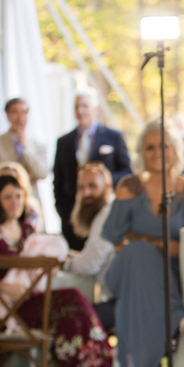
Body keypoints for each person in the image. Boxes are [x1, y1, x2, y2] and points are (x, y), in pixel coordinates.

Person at [101, 121, 184, 367]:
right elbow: (114, 236)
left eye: (164, 145)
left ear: (175, 150)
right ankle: (178, 317)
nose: (158, 152)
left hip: (168, 280)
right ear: (140, 152)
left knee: (143, 257)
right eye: (150, 147)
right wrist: (157, 246)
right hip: (124, 274)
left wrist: (148, 242)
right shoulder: (129, 186)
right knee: (139, 255)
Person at [0, 170, 111, 367]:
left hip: (34, 299)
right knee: (72, 300)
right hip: (10, 308)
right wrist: (5, 286)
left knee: (72, 318)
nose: (15, 202)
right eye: (8, 197)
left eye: (19, 196)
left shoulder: (28, 230)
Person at [54, 91, 131, 249]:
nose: (80, 111)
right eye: (76, 107)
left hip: (104, 211)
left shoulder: (113, 137)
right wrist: (63, 211)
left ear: (96, 108)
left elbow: (126, 172)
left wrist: (102, 181)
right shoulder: (63, 142)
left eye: (85, 106)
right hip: (73, 218)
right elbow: (58, 180)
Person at [62, 160, 116, 328]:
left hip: (125, 305)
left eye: (92, 186)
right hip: (117, 300)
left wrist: (62, 263)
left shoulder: (107, 215)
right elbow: (94, 256)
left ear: (107, 187)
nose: (86, 193)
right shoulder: (105, 213)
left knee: (69, 319)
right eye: (81, 188)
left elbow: (89, 265)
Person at [0, 97, 49, 184]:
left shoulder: (38, 144)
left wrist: (25, 149)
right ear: (8, 115)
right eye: (15, 112)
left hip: (31, 195)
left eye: (24, 112)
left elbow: (43, 174)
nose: (20, 118)